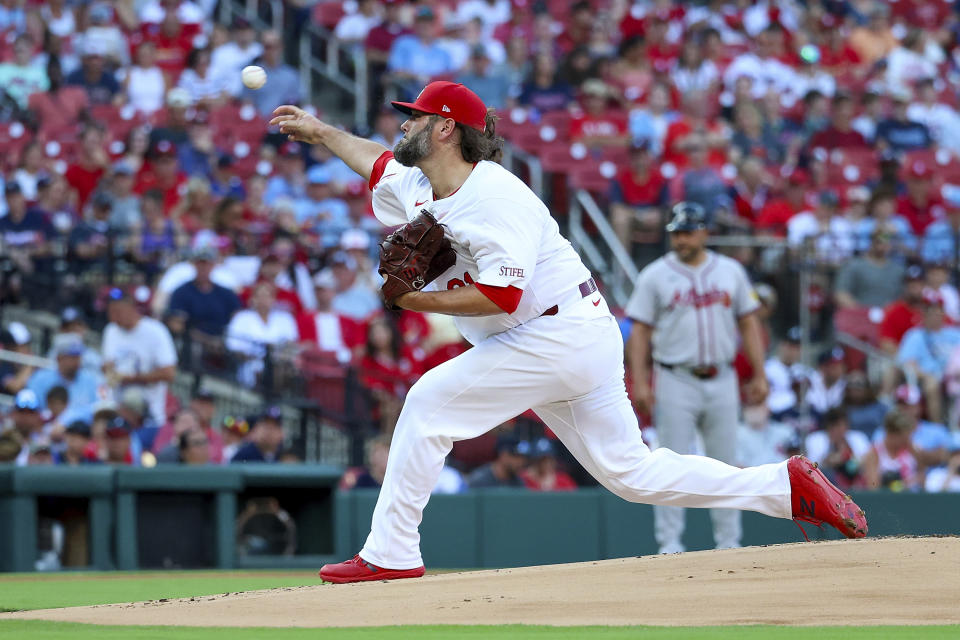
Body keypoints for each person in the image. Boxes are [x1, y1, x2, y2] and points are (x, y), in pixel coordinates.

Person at [270, 80, 867, 583]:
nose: (404, 126)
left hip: (553, 334)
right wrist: (321, 132)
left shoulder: (494, 197)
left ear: (446, 128)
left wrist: (413, 299)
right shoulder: (420, 185)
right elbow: (374, 159)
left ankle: (391, 554)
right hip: (570, 333)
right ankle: (785, 488)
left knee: (427, 404)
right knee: (630, 474)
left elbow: (501, 295)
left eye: (415, 118)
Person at [627, 201, 768, 554]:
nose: (681, 239)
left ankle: (729, 542)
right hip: (676, 377)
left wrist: (760, 374)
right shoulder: (655, 275)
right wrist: (641, 382)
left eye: (688, 232)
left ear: (705, 232)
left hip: (723, 378)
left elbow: (749, 323)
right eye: (676, 233)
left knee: (725, 462)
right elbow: (640, 332)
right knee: (670, 463)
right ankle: (670, 543)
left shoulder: (731, 271)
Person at [102, 288, 178, 425]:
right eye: (110, 313)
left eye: (118, 312)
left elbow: (169, 373)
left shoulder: (155, 331)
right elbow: (108, 364)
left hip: (148, 414)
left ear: (132, 309)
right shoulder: (111, 330)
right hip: (116, 408)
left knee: (133, 397)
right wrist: (109, 371)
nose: (114, 317)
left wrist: (132, 378)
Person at [897, 289, 960, 423]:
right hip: (927, 377)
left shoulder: (955, 334)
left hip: (954, 376)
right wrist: (926, 375)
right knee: (932, 384)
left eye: (938, 311)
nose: (935, 315)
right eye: (930, 312)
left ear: (943, 313)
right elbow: (908, 363)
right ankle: (938, 427)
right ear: (923, 314)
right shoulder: (915, 335)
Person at [26, 334, 103, 425]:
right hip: (45, 428)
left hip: (80, 433)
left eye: (79, 356)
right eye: (72, 357)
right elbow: (30, 409)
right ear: (59, 358)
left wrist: (68, 419)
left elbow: (98, 409)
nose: (77, 361)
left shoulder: (90, 380)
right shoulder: (40, 378)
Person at [166, 247, 242, 337]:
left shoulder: (226, 293)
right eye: (200, 263)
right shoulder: (181, 292)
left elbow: (238, 318)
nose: (204, 267)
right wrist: (201, 338)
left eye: (207, 264)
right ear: (194, 265)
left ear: (213, 265)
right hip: (192, 343)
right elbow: (175, 323)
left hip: (223, 341)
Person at [833, 229, 905, 309]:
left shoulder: (898, 270)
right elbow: (841, 293)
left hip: (889, 317)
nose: (883, 246)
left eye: (887, 242)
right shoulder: (854, 265)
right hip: (860, 316)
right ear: (872, 242)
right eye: (879, 241)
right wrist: (861, 311)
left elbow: (903, 298)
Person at [804, 408, 871, 490]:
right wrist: (830, 460)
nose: (841, 429)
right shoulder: (815, 439)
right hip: (826, 485)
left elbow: (867, 460)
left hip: (854, 483)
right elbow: (812, 466)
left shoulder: (858, 437)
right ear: (829, 427)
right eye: (837, 426)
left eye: (843, 425)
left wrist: (847, 458)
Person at [860, 408, 920, 491]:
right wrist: (898, 485)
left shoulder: (911, 448)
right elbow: (873, 487)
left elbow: (922, 477)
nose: (907, 441)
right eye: (904, 438)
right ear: (892, 434)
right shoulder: (874, 454)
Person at [465, 435, 530, 488]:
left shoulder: (518, 482)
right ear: (503, 455)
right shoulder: (479, 480)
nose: (521, 462)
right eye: (516, 457)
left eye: (523, 457)